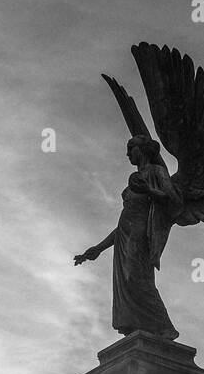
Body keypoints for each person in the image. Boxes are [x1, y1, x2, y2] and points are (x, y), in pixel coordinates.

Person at [74, 135, 183, 340]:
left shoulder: (157, 172)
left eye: (130, 148)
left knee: (137, 278)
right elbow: (122, 224)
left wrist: (149, 190)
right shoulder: (133, 180)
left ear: (141, 150)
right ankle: (136, 326)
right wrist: (97, 248)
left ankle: (165, 327)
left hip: (142, 235)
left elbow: (174, 201)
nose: (127, 153)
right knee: (125, 280)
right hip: (124, 237)